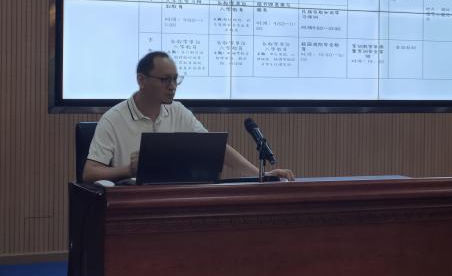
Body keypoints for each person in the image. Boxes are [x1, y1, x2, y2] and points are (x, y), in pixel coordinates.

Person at [82, 51, 295, 183]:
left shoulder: (178, 111)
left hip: (175, 200)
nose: (172, 87)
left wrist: (261, 175)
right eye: (165, 80)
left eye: (175, 79)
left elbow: (216, 149)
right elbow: (90, 173)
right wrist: (128, 170)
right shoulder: (113, 119)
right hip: (130, 206)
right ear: (141, 80)